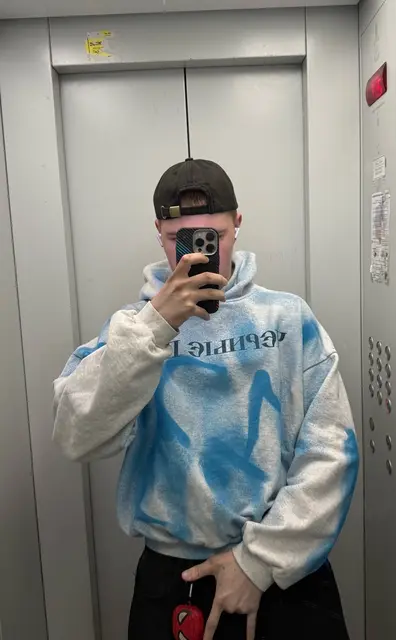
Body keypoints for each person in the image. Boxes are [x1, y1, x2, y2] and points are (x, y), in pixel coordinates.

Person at [53, 158, 359, 640]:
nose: (198, 252)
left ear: (237, 223)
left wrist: (258, 562)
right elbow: (75, 434)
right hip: (174, 580)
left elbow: (331, 450)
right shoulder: (131, 330)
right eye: (181, 239)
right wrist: (156, 326)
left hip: (282, 569)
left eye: (213, 236)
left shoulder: (287, 319)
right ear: (159, 234)